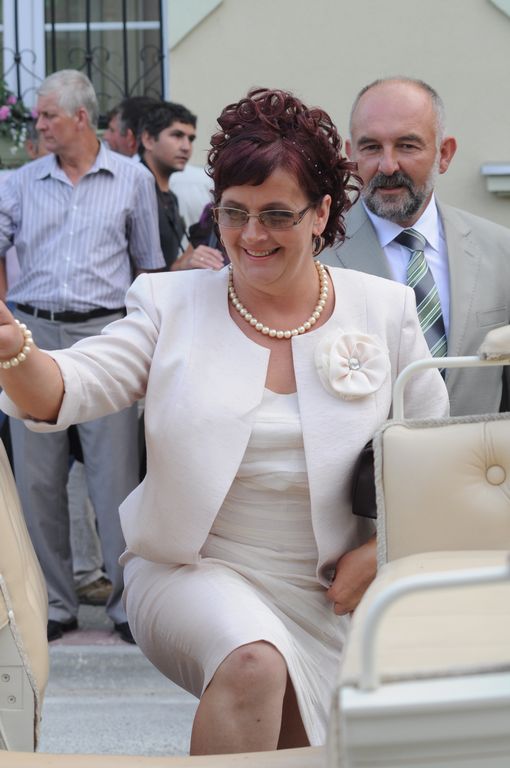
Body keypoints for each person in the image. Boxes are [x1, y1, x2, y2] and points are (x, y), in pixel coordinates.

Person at [0, 87, 448, 753]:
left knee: (302, 747)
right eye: (235, 213)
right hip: (188, 570)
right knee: (253, 662)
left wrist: (382, 554)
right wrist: (14, 350)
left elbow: (433, 466)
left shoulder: (385, 309)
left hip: (331, 595)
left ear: (323, 214)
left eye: (277, 215)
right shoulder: (169, 303)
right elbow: (69, 387)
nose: (252, 236)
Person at [0, 69, 165, 644]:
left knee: (115, 478)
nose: (39, 124)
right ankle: (53, 603)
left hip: (105, 336)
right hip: (32, 335)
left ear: (79, 116)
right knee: (37, 481)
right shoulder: (19, 182)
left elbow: (148, 266)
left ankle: (128, 606)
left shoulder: (132, 179)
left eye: (48, 115)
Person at [321, 77, 510, 416]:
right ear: (350, 155)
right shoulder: (317, 255)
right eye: (371, 147)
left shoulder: (501, 251)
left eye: (407, 146)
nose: (388, 165)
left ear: (444, 154)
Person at [139, 101, 223, 270]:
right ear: (148, 139)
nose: (186, 147)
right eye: (177, 135)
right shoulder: (134, 191)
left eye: (190, 139)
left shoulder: (170, 197)